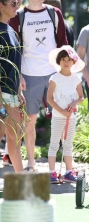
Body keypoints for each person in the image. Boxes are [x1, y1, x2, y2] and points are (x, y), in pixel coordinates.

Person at [9, 0, 68, 172]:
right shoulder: (19, 15)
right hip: (29, 74)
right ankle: (31, 164)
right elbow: (15, 47)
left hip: (54, 73)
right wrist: (18, 74)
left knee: (62, 119)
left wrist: (65, 72)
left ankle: (65, 165)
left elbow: (63, 42)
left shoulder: (54, 12)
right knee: (30, 121)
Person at [47, 45, 84, 183]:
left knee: (68, 144)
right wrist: (61, 111)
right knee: (54, 144)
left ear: (74, 62)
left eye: (69, 59)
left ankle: (69, 171)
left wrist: (74, 103)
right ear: (59, 61)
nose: (66, 62)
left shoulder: (76, 79)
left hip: (71, 117)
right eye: (63, 59)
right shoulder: (54, 78)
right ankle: (52, 172)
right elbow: (49, 98)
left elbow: (81, 97)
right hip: (58, 116)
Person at [0, 0, 26, 172]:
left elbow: (14, 66)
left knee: (15, 137)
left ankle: (21, 182)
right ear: (1, 5)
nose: (17, 5)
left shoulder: (11, 31)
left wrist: (18, 92)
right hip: (3, 95)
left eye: (18, 2)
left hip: (12, 95)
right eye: (13, 3)